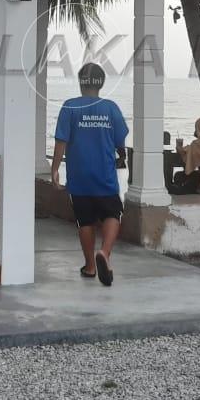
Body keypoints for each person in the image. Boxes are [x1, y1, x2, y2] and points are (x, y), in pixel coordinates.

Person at [51, 63, 128, 287]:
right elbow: (120, 141)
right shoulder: (111, 108)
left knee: (84, 221)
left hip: (79, 176)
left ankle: (90, 266)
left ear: (81, 82)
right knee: (113, 213)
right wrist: (122, 155)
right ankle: (104, 252)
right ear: (101, 83)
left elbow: (60, 142)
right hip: (105, 175)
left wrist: (55, 169)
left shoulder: (69, 107)